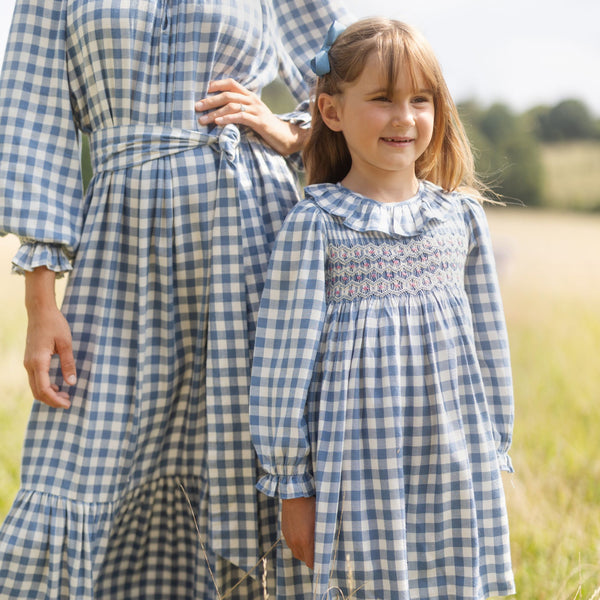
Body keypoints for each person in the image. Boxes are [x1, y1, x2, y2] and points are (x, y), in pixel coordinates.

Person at [0, 1, 352, 598]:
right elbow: (35, 119)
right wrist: (41, 297)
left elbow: (356, 70)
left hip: (249, 236)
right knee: (83, 451)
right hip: (120, 244)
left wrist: (288, 132)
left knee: (250, 444)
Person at [250, 18, 516, 600]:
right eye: (382, 99)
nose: (404, 117)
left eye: (420, 99)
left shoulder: (460, 218)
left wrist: (492, 447)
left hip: (449, 456)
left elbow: (489, 344)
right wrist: (292, 490)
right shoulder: (316, 225)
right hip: (357, 469)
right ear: (331, 110)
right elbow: (280, 369)